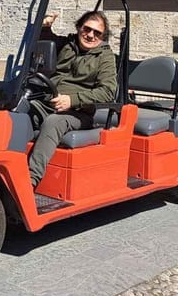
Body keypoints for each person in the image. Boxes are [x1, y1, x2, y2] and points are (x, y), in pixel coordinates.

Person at [28, 10, 118, 188]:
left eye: (97, 33)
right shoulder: (68, 44)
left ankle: (30, 181)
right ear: (79, 28)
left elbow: (107, 92)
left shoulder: (105, 57)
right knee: (17, 110)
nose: (90, 35)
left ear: (102, 36)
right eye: (87, 29)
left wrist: (72, 100)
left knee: (53, 123)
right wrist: (45, 26)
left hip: (78, 112)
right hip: (48, 102)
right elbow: (46, 41)